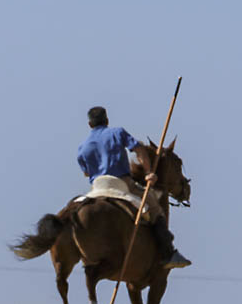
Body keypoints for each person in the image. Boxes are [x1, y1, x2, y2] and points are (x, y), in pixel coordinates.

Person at [77, 106, 190, 269]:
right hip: (122, 183)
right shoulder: (117, 133)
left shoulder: (82, 147)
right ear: (107, 120)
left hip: (97, 187)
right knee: (154, 206)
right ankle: (168, 253)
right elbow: (139, 150)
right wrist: (149, 172)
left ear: (90, 124)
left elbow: (86, 173)